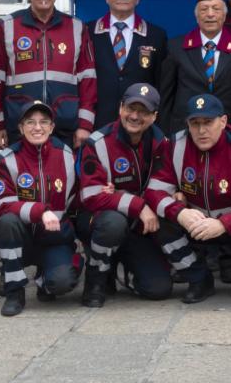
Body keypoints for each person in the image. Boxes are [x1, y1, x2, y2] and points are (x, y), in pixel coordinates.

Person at [145, 94, 231, 303]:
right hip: (194, 223)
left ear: (223, 121)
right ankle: (198, 279)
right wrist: (180, 213)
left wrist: (224, 224)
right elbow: (154, 191)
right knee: (159, 220)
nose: (201, 130)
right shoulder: (173, 145)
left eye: (208, 122)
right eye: (195, 123)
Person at [78, 83, 172, 307]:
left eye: (144, 111)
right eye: (131, 108)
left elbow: (164, 187)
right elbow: (92, 196)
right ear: (120, 108)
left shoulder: (162, 144)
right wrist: (138, 204)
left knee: (159, 289)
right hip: (98, 220)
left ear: (154, 116)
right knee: (113, 222)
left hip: (139, 227)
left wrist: (122, 196)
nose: (135, 116)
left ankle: (117, 268)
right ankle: (96, 279)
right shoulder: (97, 142)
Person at [0, 0, 97, 149]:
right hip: (20, 125)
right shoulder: (6, 27)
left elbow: (88, 80)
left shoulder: (77, 27)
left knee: (64, 178)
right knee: (21, 179)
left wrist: (84, 125)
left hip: (65, 127)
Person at [0, 101, 82, 316]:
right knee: (7, 222)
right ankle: (14, 290)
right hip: (21, 237)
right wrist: (40, 211)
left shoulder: (66, 154)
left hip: (55, 239)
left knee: (61, 283)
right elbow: (3, 204)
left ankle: (45, 279)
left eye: (43, 122)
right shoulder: (5, 159)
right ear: (21, 128)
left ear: (52, 127)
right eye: (30, 122)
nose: (37, 128)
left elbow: (78, 196)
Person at [160, 0, 231, 134]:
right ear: (197, 16)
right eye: (204, 9)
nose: (210, 14)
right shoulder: (176, 47)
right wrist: (164, 134)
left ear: (224, 16)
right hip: (186, 130)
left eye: (216, 9)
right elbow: (166, 96)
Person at [89, 0, 167, 128]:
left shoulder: (156, 35)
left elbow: (161, 83)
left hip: (140, 122)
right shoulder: (88, 31)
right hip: (98, 120)